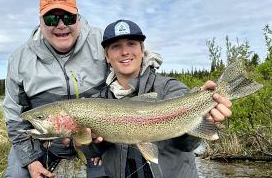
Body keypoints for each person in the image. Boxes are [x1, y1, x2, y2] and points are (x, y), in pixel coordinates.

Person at [85, 19, 232, 178]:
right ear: (107, 56)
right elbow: (91, 152)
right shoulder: (97, 101)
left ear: (142, 51)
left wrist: (203, 111)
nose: (125, 51)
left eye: (131, 44)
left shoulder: (171, 88)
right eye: (116, 46)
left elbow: (188, 144)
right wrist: (88, 142)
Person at [3, 0, 108, 177]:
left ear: (79, 18)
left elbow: (132, 58)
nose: (61, 25)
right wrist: (31, 160)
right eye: (51, 19)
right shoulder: (20, 59)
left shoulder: (103, 42)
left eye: (68, 18)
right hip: (43, 145)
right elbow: (15, 119)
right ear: (41, 22)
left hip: (98, 142)